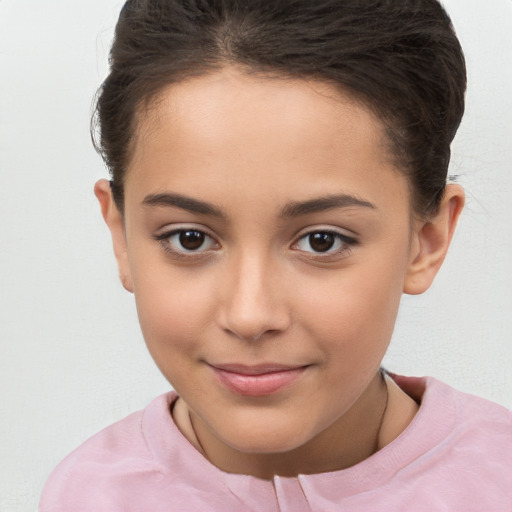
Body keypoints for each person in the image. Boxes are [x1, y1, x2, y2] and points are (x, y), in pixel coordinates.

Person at [39, 0, 511, 510]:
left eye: (322, 240)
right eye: (190, 238)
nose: (250, 315)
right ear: (122, 235)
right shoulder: (87, 495)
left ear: (427, 241)